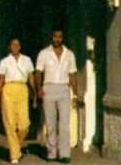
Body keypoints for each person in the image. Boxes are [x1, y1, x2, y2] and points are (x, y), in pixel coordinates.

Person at [35, 29, 78, 163]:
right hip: (49, 88)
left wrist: (75, 94)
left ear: (62, 38)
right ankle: (51, 152)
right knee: (50, 122)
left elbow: (73, 75)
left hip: (64, 89)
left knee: (64, 123)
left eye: (59, 37)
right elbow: (38, 72)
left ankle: (64, 153)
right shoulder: (44, 54)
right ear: (51, 38)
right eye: (55, 37)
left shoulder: (69, 54)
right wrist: (39, 88)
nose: (57, 39)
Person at [0, 36, 37, 164]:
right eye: (13, 45)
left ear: (20, 46)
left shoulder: (27, 60)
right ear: (9, 47)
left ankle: (16, 148)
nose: (15, 47)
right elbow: (0, 80)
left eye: (17, 45)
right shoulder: (5, 62)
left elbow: (31, 78)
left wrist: (34, 94)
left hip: (22, 89)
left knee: (24, 125)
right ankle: (14, 155)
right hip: (8, 90)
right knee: (10, 123)